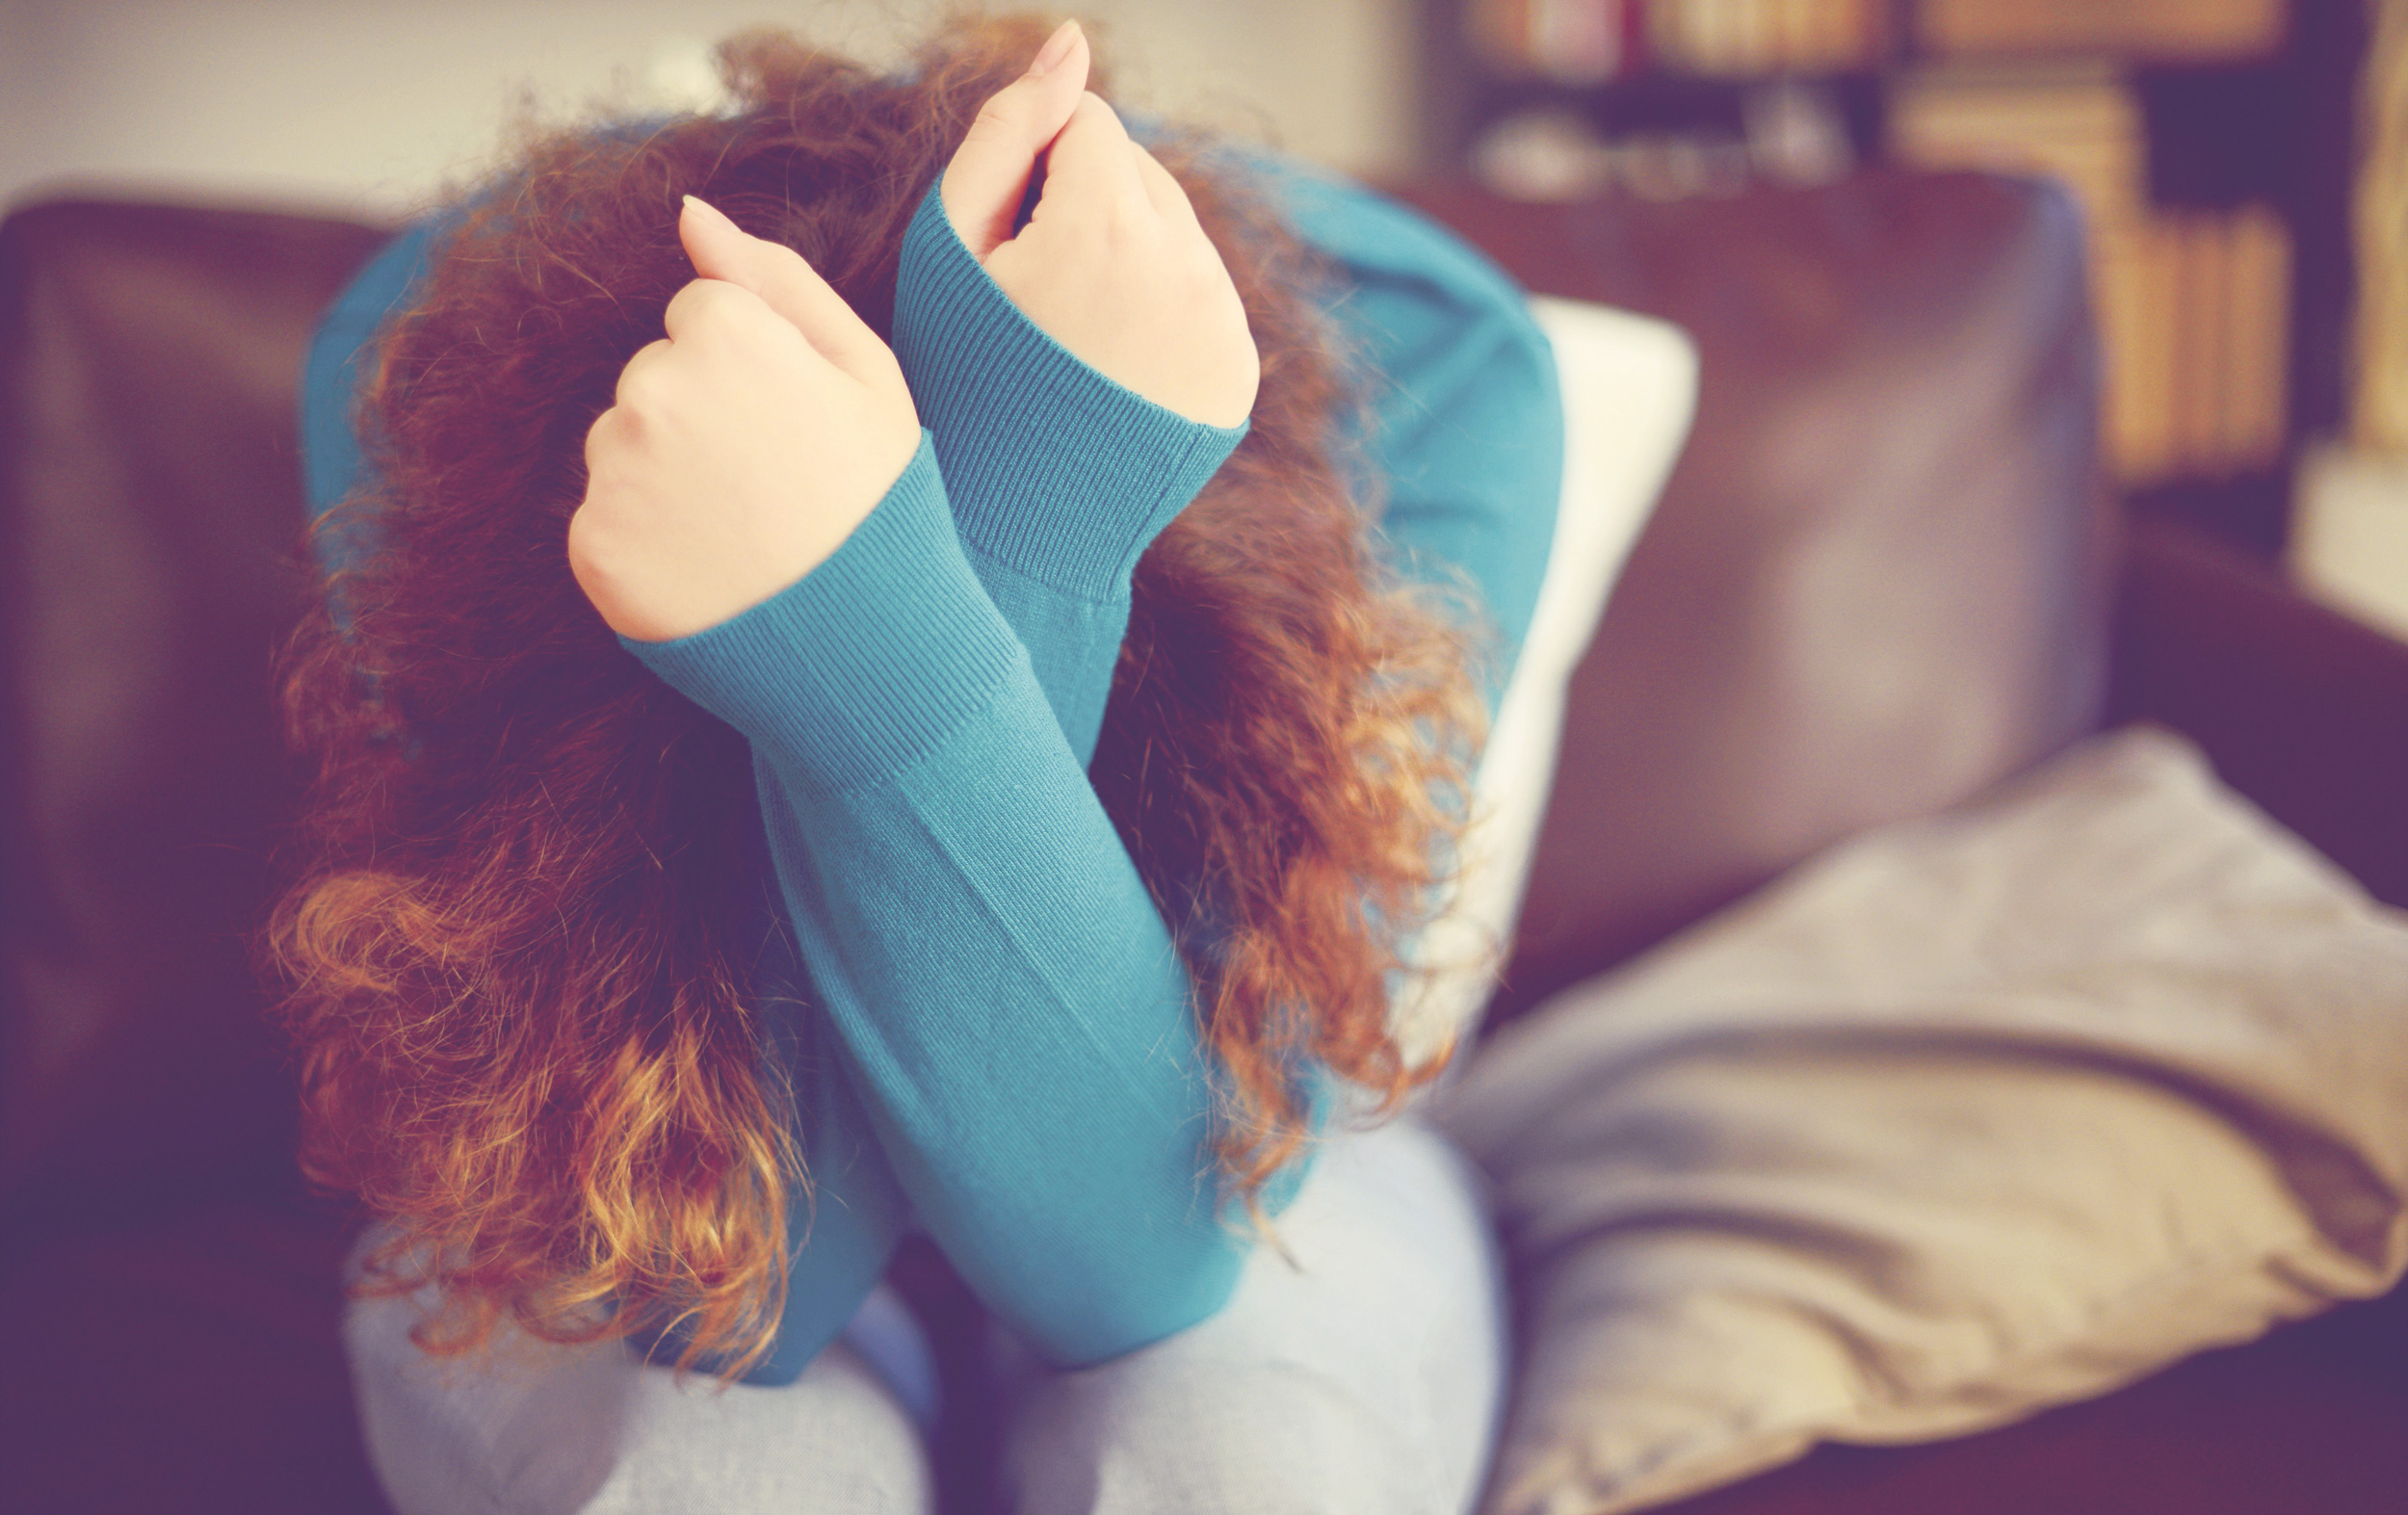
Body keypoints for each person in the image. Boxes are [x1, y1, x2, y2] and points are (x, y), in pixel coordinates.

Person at [271, 15, 1561, 1513]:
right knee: (695, 1480)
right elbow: (722, 1296)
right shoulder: (430, 362)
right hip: (639, 1147)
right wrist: (844, 639)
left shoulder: (1431, 355)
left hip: (1231, 1161)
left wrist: (1034, 513)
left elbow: (1139, 1260)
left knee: (1241, 1461)